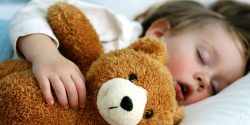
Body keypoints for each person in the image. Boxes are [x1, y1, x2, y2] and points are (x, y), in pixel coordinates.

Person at [9, 0, 250, 109]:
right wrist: (47, 55)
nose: (204, 80)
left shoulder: (157, 109)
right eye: (203, 58)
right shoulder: (120, 33)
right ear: (158, 33)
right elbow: (39, 10)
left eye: (216, 87)